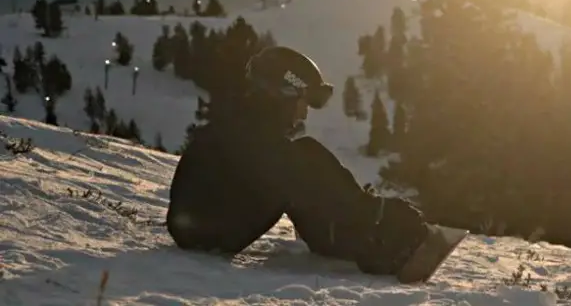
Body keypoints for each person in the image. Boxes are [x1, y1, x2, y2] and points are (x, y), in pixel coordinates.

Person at [166, 45, 429, 276]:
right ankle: (374, 239)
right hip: (208, 233)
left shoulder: (244, 125)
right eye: (304, 101)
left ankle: (346, 238)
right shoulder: (258, 138)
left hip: (196, 228)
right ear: (285, 95)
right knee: (306, 157)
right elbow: (304, 180)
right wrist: (376, 209)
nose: (304, 113)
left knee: (300, 166)